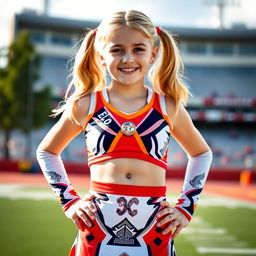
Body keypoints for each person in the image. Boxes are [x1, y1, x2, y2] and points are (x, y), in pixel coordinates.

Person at [36, 10, 212, 256]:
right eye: (117, 50)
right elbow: (46, 151)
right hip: (96, 231)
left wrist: (185, 208)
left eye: (138, 49)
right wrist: (70, 202)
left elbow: (202, 153)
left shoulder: (168, 107)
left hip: (154, 232)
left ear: (153, 54)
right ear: (101, 56)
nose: (128, 58)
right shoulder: (86, 104)